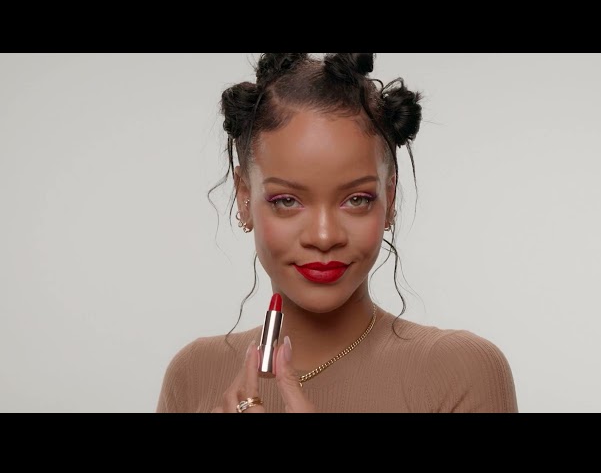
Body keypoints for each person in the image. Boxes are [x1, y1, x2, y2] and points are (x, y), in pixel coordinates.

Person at [156, 53, 518, 413]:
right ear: (244, 197)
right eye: (287, 201)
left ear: (390, 198)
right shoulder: (193, 375)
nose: (324, 236)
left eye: (357, 199)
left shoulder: (460, 372)